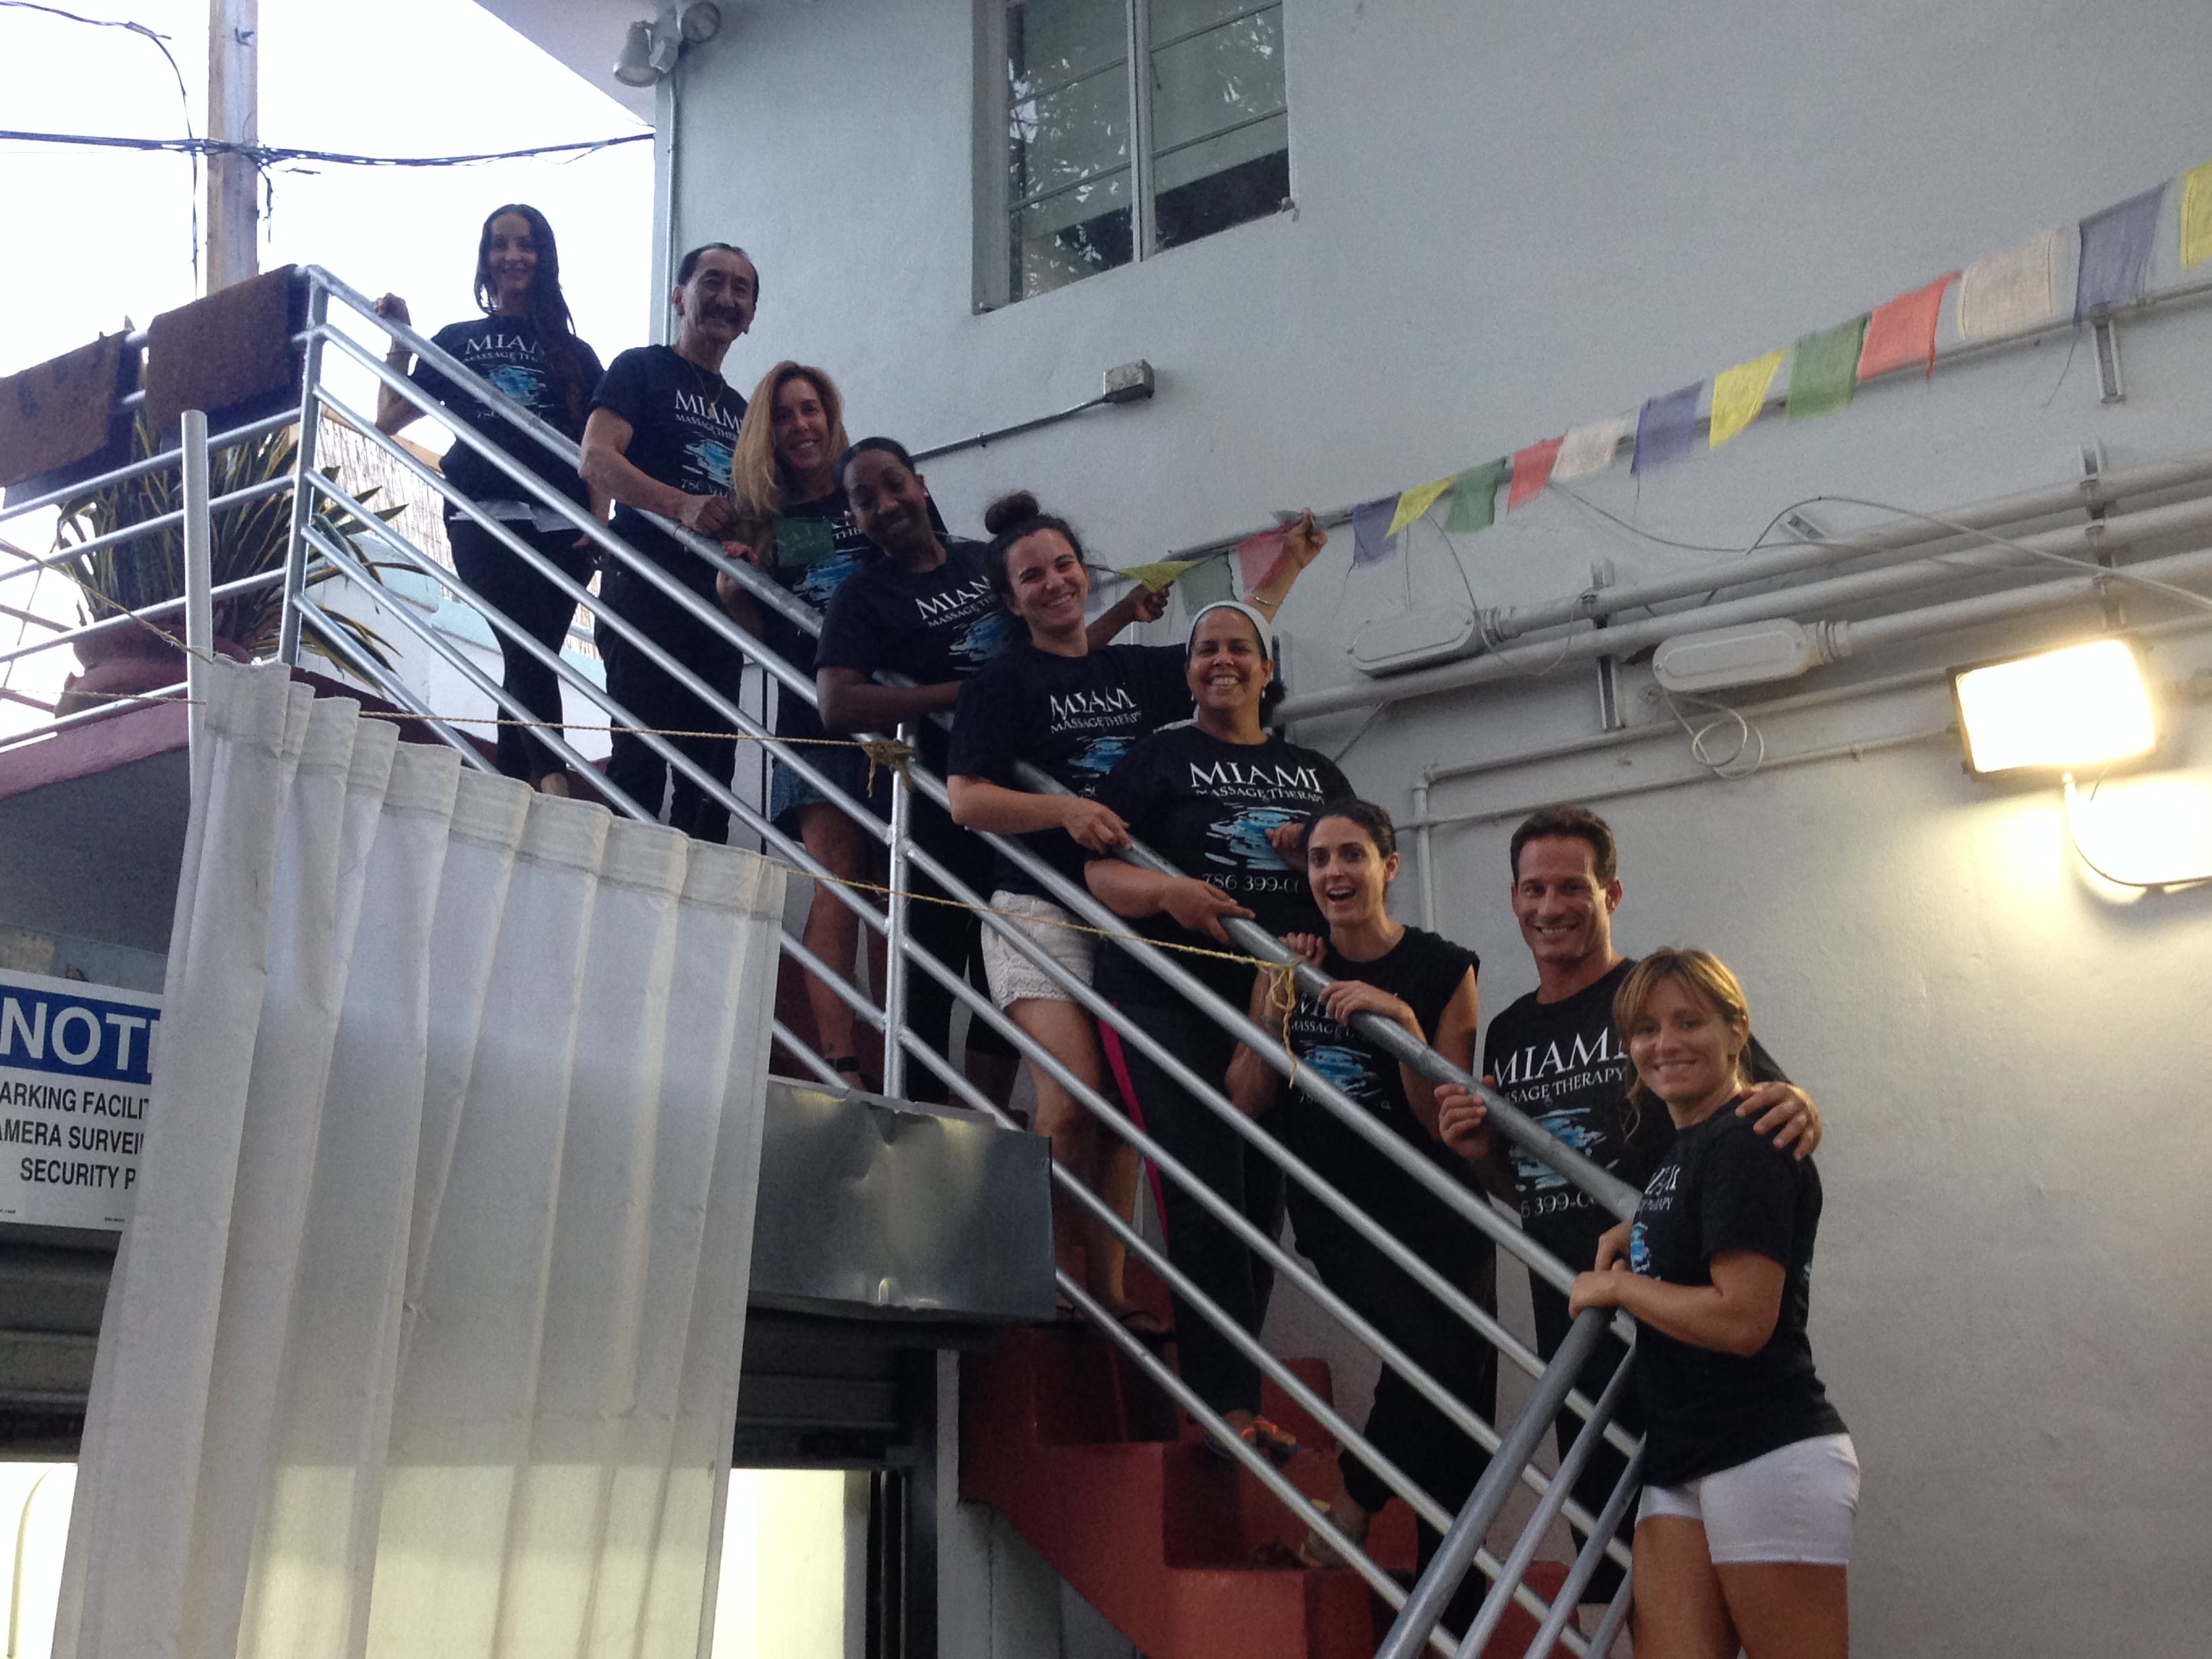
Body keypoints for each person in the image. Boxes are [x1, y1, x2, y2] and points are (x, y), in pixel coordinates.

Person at [947, 495, 1324, 1330]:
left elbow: (1231, 644)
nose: (1053, 583)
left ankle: (1107, 1287)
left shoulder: (1134, 670)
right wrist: (1064, 812)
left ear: (1084, 571)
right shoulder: (1001, 683)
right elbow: (966, 800)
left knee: (1121, 1108)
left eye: (1063, 566)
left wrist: (1291, 565)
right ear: (1011, 600)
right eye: (1032, 576)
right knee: (1073, 1096)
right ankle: (1031, 1267)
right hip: (1037, 907)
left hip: (1125, 916)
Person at [1431, 804, 1822, 1607]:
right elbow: (1529, 1193)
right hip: (1576, 1325)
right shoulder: (1505, 1031)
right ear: (1512, 899)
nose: (1551, 907)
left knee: (1734, 1577)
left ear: (1610, 893)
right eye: (1534, 889)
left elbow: (1761, 1106)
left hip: (1684, 1329)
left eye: (1572, 887)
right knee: (1623, 1581)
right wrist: (1480, 1155)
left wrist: (1807, 1105)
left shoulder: (1661, 1000)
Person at [1083, 599, 1351, 1460]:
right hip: (1165, 994)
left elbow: (1354, 867)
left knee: (1260, 1201)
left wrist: (1321, 925)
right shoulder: (1159, 755)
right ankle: (1225, 1404)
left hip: (1273, 996)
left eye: (1241, 648)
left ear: (1268, 672)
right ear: (1189, 667)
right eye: (1205, 649)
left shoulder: (1313, 772)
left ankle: (1232, 1389)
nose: (1222, 660)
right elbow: (1098, 872)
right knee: (1203, 1187)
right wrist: (1168, 893)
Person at [1225, 798, 1496, 1605]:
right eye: (1319, 860)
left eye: (1351, 856)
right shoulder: (1289, 964)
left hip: (1437, 1206)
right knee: (1432, 1365)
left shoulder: (1445, 968)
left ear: (1389, 866)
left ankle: (1451, 1606)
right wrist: (1274, 997)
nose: (1335, 874)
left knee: (1460, 1401)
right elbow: (1246, 1095)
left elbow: (1438, 1121)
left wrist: (1404, 1024)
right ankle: (1348, 1511)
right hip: (1337, 1209)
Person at [1568, 949, 1854, 1659]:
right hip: (1681, 1460)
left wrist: (1619, 1286)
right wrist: (1646, 1229)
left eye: (1689, 1022)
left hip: (1764, 1449)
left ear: (1737, 1031)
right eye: (1645, 1029)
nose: (1664, 1044)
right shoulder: (1690, 1145)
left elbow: (1742, 1321)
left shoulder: (1750, 1136)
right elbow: (1707, 1229)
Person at [811, 438, 1030, 1106]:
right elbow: (836, 702)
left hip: (1018, 803)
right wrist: (953, 697)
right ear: (855, 517)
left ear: (922, 485)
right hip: (933, 812)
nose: (884, 504)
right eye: (864, 499)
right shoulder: (863, 596)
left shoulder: (979, 561)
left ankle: (986, 1122)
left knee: (1011, 976)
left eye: (893, 485)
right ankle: (927, 1121)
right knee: (927, 986)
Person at [372, 205, 606, 792]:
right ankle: (554, 781)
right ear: (485, 259)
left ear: (544, 257)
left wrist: (599, 523)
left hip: (563, 526)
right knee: (523, 646)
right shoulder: (459, 340)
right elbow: (390, 416)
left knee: (531, 657)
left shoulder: (577, 356)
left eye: (525, 245)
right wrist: (399, 340)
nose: (512, 256)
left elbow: (598, 447)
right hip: (482, 516)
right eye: (500, 245)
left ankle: (510, 787)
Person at [713, 362, 882, 1089]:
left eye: (812, 409)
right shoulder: (765, 520)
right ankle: (842, 1058)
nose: (803, 425)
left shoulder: (874, 487)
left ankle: (904, 1043)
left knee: (902, 878)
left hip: (900, 702)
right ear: (767, 432)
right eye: (785, 415)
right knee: (839, 878)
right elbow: (759, 638)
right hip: (816, 710)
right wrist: (733, 589)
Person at [579, 242, 757, 841]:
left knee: (712, 781)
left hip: (715, 608)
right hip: (645, 591)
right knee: (640, 763)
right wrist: (682, 506)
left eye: (741, 289)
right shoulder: (641, 368)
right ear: (679, 295)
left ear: (750, 316)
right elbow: (596, 459)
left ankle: (696, 930)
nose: (726, 297)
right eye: (713, 281)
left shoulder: (745, 412)